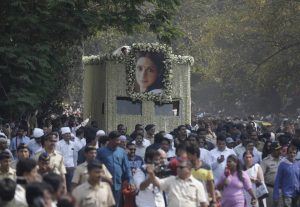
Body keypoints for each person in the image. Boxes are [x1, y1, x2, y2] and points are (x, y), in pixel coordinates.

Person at [96, 131, 134, 207]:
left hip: (118, 184)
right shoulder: (101, 151)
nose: (119, 142)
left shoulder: (122, 152)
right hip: (104, 183)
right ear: (110, 139)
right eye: (117, 140)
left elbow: (127, 167)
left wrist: (130, 180)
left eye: (119, 140)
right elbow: (96, 167)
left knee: (116, 204)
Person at [260, 142, 282, 207]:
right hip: (270, 189)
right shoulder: (265, 161)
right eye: (277, 150)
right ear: (272, 150)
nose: (279, 151)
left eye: (280, 149)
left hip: (281, 189)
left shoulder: (283, 160)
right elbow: (260, 177)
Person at [56, 127, 76, 192]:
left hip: (71, 168)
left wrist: (74, 166)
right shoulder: (58, 144)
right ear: (62, 135)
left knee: (70, 186)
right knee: (62, 185)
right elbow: (57, 156)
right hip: (62, 168)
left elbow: (75, 156)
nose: (68, 135)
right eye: (66, 134)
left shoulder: (73, 144)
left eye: (69, 133)